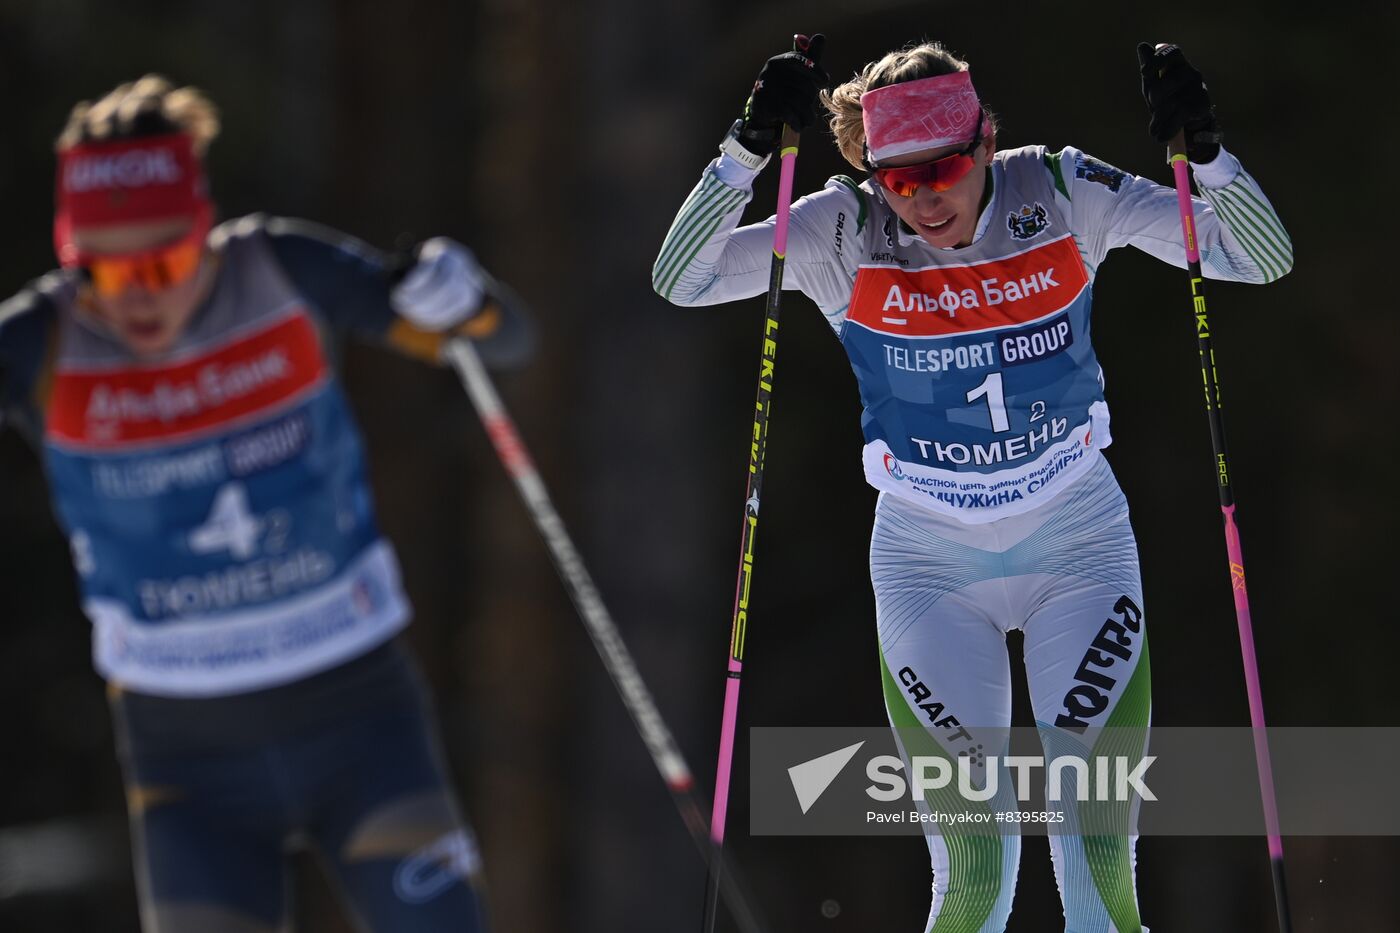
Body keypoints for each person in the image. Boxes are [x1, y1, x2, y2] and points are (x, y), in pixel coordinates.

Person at [654, 37, 1290, 932]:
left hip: (1078, 544)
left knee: (1097, 861)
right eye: (898, 180)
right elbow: (679, 280)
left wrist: (1210, 156)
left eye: (944, 169)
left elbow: (1258, 257)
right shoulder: (842, 228)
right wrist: (743, 153)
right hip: (927, 566)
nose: (924, 200)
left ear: (986, 141)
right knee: (977, 873)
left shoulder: (1064, 193)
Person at [0, 75, 532, 932]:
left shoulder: (283, 270)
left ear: (203, 233)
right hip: (186, 759)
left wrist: (466, 304)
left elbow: (503, 339)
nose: (138, 295)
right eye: (103, 270)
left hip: (360, 715)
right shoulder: (45, 341)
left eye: (164, 261)